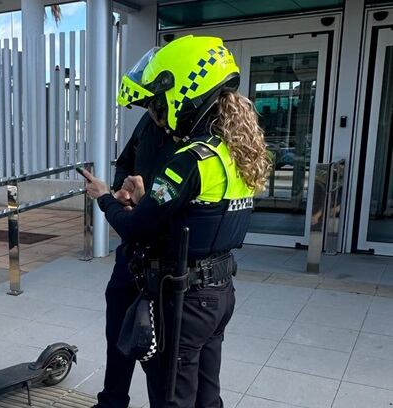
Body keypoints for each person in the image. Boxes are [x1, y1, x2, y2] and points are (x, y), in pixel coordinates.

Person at [84, 35, 270, 407]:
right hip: (217, 290)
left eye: (157, 102)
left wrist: (104, 197)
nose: (154, 111)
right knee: (206, 389)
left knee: (172, 393)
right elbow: (196, 213)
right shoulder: (233, 150)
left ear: (185, 91)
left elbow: (139, 226)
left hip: (179, 290)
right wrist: (142, 196)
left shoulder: (190, 157)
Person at [95, 108, 177, 408]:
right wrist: (123, 192)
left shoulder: (194, 130)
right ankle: (112, 401)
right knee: (116, 332)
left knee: (156, 349)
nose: (154, 111)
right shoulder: (147, 122)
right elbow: (126, 160)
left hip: (164, 260)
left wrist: (110, 200)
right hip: (132, 252)